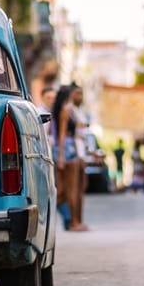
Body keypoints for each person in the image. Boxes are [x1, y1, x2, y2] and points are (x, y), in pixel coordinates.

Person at [53, 84, 89, 231]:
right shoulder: (64, 112)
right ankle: (73, 222)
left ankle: (73, 221)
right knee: (71, 189)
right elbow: (61, 135)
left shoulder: (65, 111)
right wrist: (61, 156)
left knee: (66, 189)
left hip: (66, 149)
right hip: (67, 150)